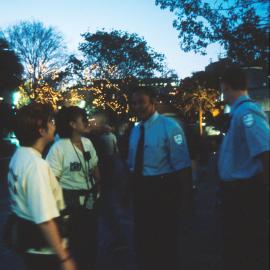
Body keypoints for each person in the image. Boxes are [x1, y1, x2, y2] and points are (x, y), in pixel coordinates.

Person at [127, 86, 193, 270]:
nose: (137, 107)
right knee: (142, 238)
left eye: (142, 102)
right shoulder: (135, 130)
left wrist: (187, 197)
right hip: (141, 189)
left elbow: (182, 165)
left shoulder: (170, 127)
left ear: (153, 103)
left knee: (165, 239)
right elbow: (132, 164)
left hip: (162, 190)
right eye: (134, 103)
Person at [5, 103, 76, 270]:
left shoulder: (19, 155)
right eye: (50, 121)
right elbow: (45, 220)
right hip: (44, 248)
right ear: (41, 130)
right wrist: (64, 258)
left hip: (27, 240)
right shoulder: (36, 165)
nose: (54, 125)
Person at [218, 65, 269, 270]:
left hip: (244, 194)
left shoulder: (247, 113)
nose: (222, 94)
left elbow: (265, 152)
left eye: (222, 89)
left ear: (227, 86)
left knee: (245, 250)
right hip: (238, 193)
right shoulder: (240, 113)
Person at [46, 106, 100, 270]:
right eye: (82, 119)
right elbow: (52, 181)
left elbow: (95, 168)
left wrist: (98, 190)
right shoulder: (58, 148)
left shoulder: (87, 142)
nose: (86, 121)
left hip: (90, 200)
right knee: (76, 245)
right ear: (72, 124)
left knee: (91, 244)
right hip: (70, 204)